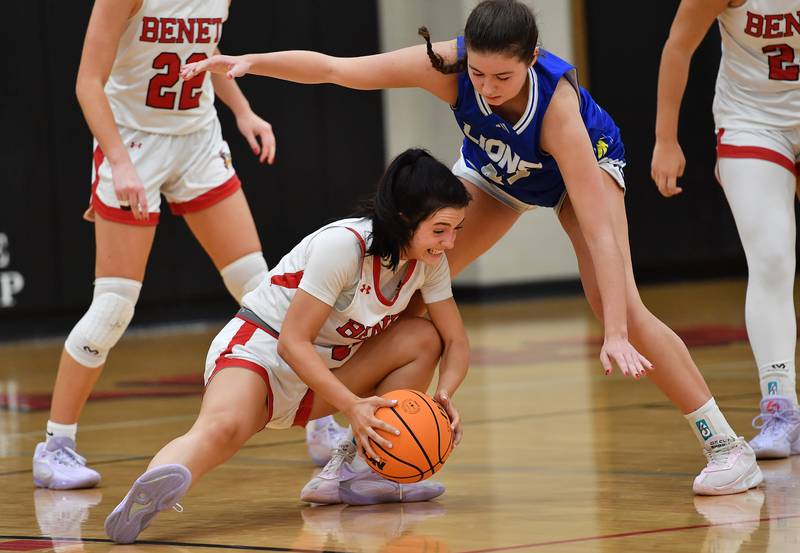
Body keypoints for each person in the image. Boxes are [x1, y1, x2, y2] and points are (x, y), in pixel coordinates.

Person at [181, 0, 764, 495]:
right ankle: (363, 456)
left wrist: (612, 330)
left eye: (501, 79)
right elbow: (338, 69)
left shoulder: (558, 114)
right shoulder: (448, 67)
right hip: (496, 172)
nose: (485, 88)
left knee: (624, 310)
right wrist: (255, 63)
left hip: (575, 170)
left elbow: (603, 233)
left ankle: (726, 447)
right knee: (408, 291)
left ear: (531, 61)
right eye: (478, 75)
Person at [32, 0, 345, 492]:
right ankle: (56, 447)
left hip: (197, 139)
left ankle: (319, 421)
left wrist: (243, 111)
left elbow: (201, 49)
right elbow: (87, 82)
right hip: (132, 141)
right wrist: (120, 163)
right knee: (112, 307)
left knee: (262, 289)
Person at [104, 148, 471, 544]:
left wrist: (444, 394)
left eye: (455, 230)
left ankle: (355, 471)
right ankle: (147, 493)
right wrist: (351, 405)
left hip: (322, 373)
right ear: (404, 218)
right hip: (259, 350)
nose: (449, 242)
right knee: (220, 429)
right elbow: (292, 344)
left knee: (421, 337)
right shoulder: (343, 247)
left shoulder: (429, 263)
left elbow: (455, 340)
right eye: (440, 230)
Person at [651, 0, 800, 459]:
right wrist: (665, 140)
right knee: (772, 259)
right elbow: (679, 46)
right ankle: (781, 409)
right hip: (752, 120)